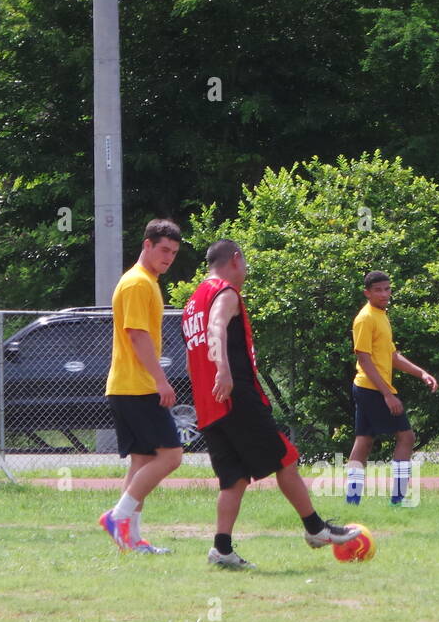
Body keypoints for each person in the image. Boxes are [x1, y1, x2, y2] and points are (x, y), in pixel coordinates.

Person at [182, 239, 361, 569]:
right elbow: (217, 327)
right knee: (285, 458)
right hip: (234, 396)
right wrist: (223, 369)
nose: (246, 271)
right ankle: (315, 529)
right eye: (245, 264)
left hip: (208, 406)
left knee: (233, 478)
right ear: (236, 259)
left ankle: (221, 549)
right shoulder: (225, 292)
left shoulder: (192, 302)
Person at [98, 218, 184, 553]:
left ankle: (130, 539)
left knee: (142, 462)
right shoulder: (137, 283)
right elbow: (136, 335)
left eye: (174, 252)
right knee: (172, 456)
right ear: (146, 245)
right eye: (164, 249)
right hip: (136, 387)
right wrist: (160, 380)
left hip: (128, 386)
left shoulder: (147, 281)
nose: (169, 257)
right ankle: (117, 517)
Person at [344, 271, 438, 505]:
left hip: (368, 387)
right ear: (367, 293)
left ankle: (352, 501)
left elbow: (393, 355)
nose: (384, 294)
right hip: (372, 388)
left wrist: (422, 373)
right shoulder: (365, 318)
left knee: (364, 441)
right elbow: (364, 359)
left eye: (387, 289)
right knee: (406, 437)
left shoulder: (381, 315)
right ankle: (398, 500)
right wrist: (387, 394)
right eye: (378, 290)